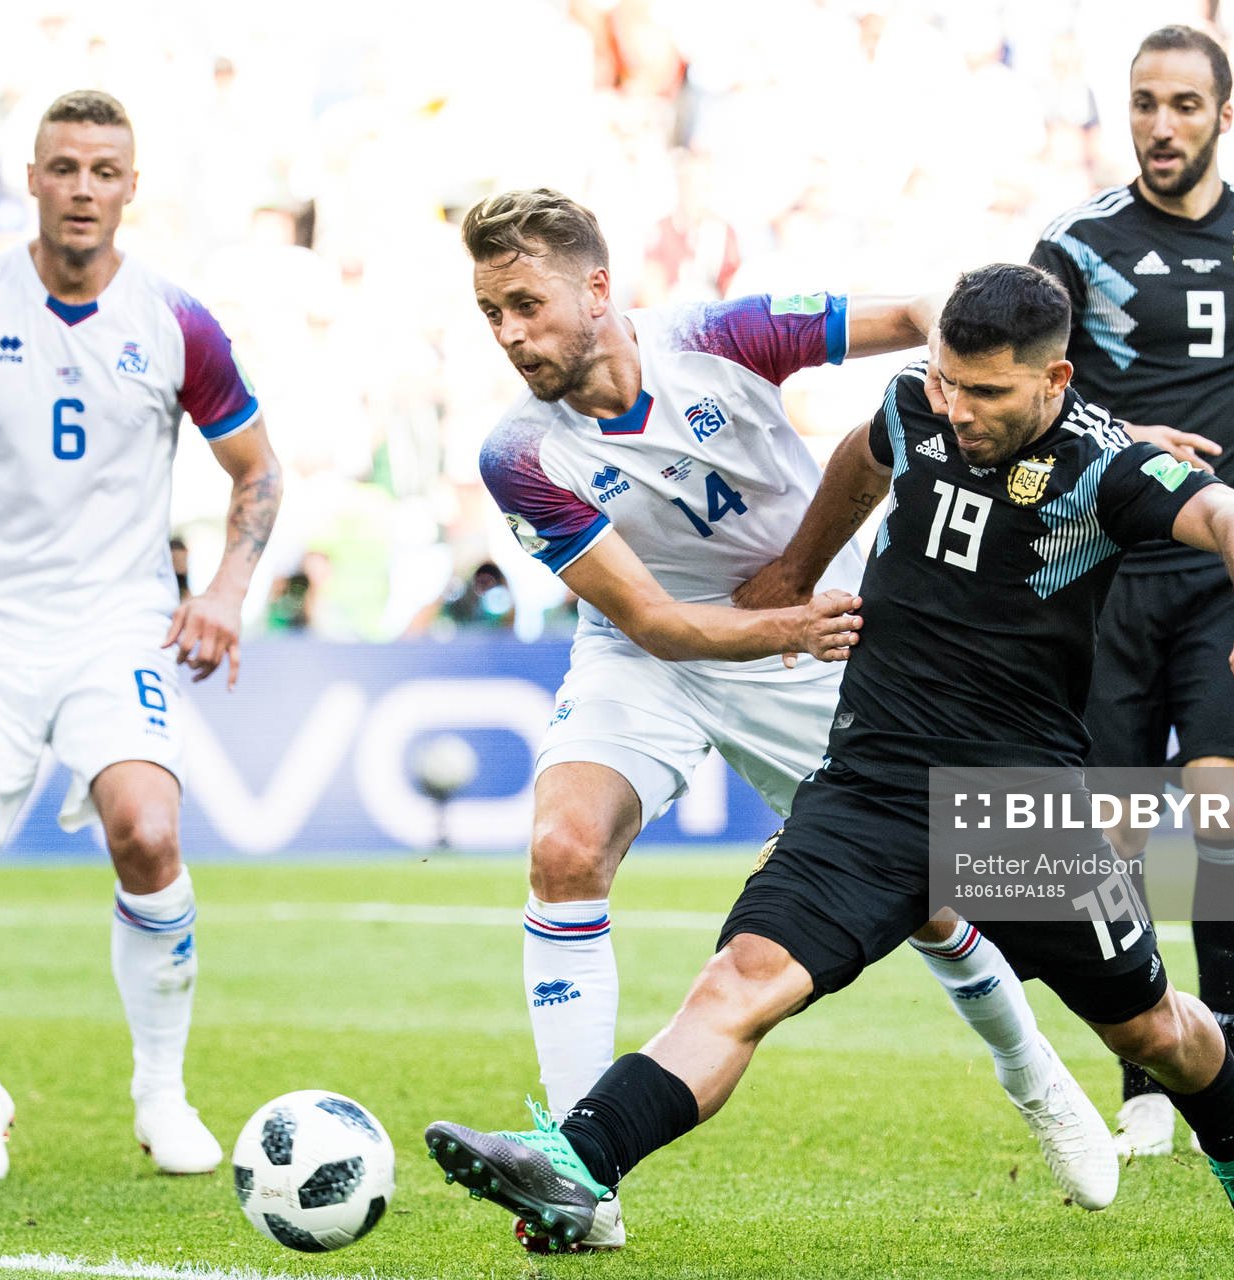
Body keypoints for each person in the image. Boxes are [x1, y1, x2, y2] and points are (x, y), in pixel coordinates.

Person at [425, 263, 1234, 1248]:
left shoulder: (1105, 470)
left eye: (988, 393)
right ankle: (577, 1160)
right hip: (871, 786)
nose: (958, 411)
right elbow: (862, 453)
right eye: (947, 382)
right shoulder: (914, 408)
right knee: (738, 978)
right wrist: (797, 569)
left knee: (1150, 1028)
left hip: (1016, 809)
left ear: (1056, 381)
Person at [464, 190, 1112, 1250]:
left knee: (931, 900)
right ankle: (580, 1176)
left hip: (816, 639)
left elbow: (923, 313)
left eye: (526, 303)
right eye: (492, 312)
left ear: (596, 287)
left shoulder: (722, 338)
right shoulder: (520, 453)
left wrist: (1055, 394)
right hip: (670, 651)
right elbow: (658, 623)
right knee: (564, 844)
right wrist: (784, 626)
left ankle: (1034, 1074)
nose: (510, 334)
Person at [0, 90, 282, 1182]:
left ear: (132, 188)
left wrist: (224, 584)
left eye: (104, 170)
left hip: (115, 626)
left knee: (147, 829)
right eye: (64, 167)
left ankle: (161, 1089)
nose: (84, 188)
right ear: (31, 179)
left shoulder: (178, 321)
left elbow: (259, 470)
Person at [1027, 25, 1234, 1158]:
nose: (1159, 126)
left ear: (1225, 115)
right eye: (1141, 105)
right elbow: (1024, 394)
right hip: (1106, 580)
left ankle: (1217, 1043)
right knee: (1110, 842)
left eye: (1181, 105)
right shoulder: (1075, 246)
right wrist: (1117, 434)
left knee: (1228, 811)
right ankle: (1145, 1073)